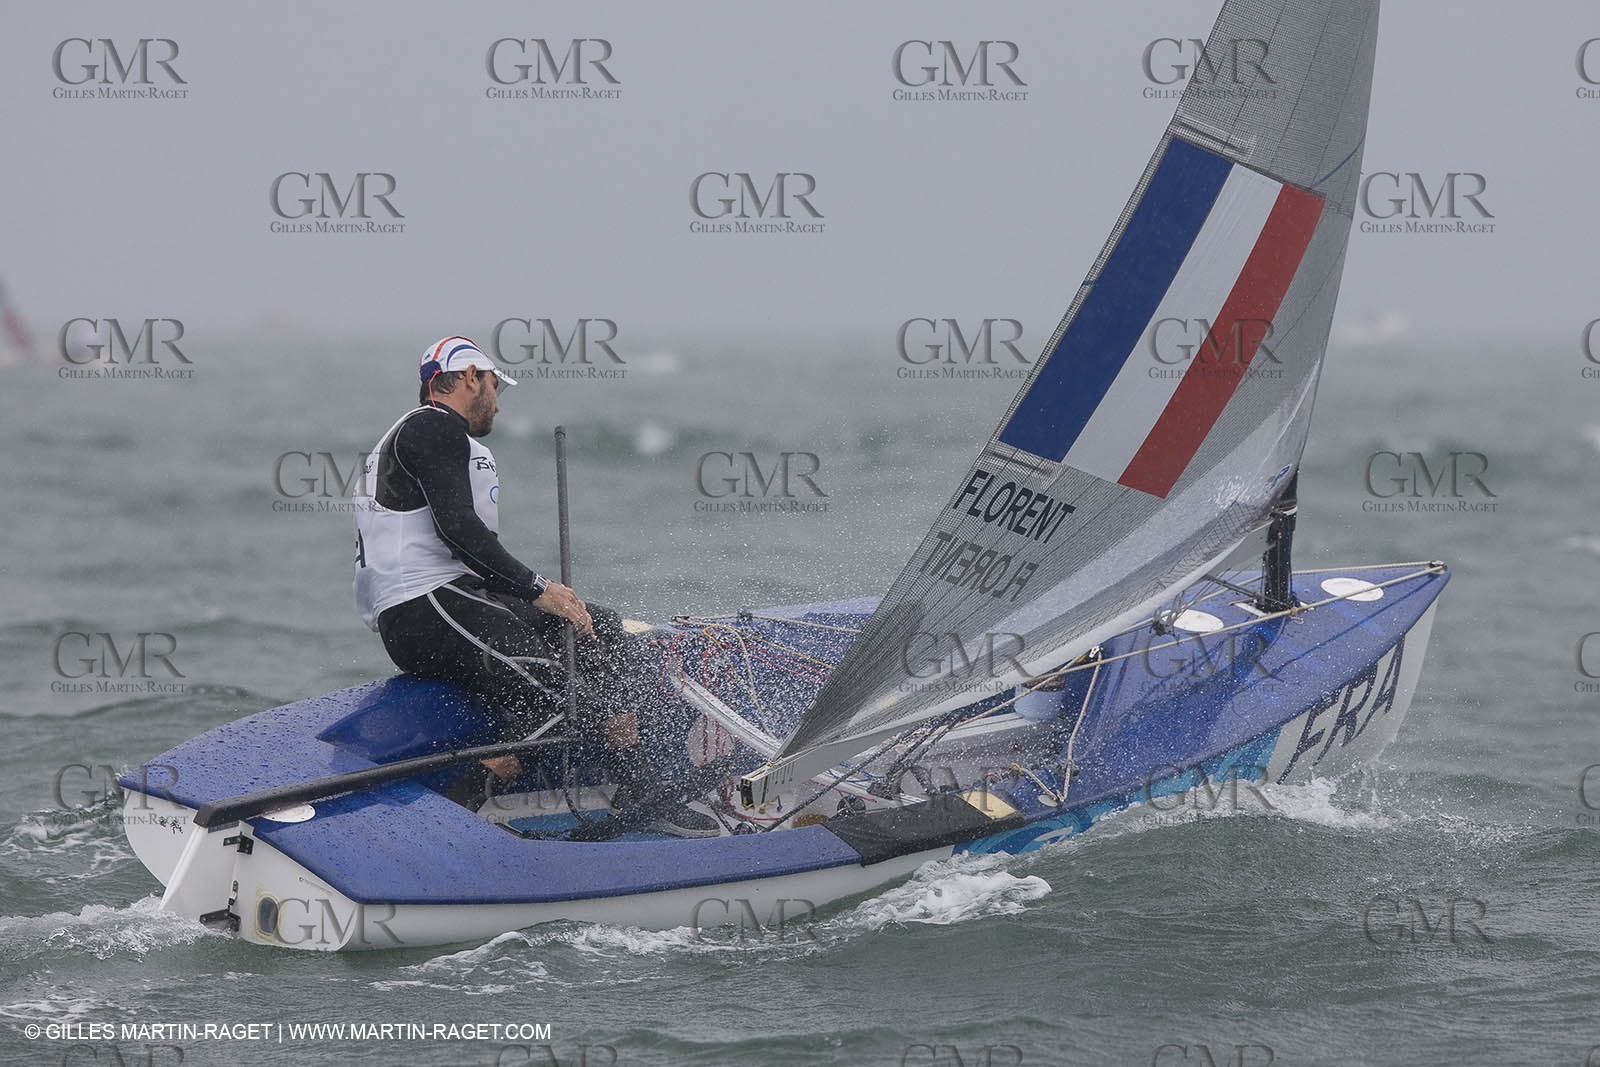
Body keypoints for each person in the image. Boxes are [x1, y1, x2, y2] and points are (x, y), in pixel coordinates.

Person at [352, 335, 717, 837]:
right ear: (465, 380)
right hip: (421, 610)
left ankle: (638, 786)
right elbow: (459, 532)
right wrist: (537, 588)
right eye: (494, 386)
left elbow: (472, 556)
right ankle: (457, 806)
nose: (498, 402)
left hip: (454, 597)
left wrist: (552, 602)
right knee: (568, 699)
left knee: (597, 629)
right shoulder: (433, 427)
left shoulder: (437, 438)